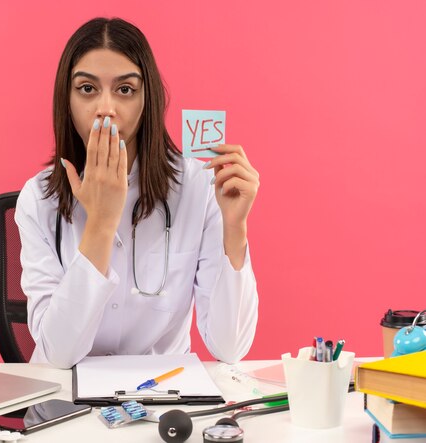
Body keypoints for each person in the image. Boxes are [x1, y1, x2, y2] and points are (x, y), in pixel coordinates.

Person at [15, 17, 260, 369]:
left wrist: (235, 231)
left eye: (125, 90)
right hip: (69, 400)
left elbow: (230, 348)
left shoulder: (199, 186)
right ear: (66, 99)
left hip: (165, 397)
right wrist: (100, 224)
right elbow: (57, 355)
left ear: (149, 99)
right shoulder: (38, 199)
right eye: (87, 89)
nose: (105, 109)